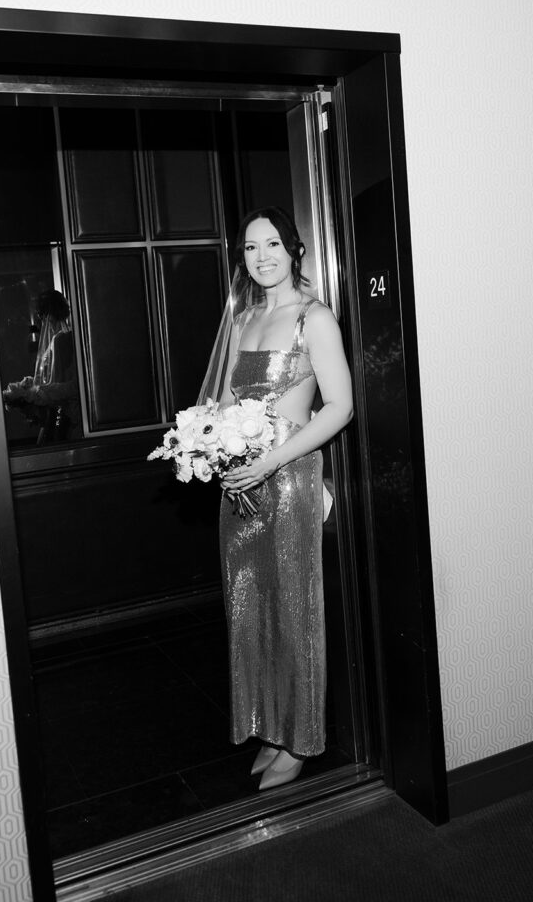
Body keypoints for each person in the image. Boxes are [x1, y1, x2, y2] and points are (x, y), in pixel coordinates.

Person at [207, 206, 353, 791]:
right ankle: (268, 725)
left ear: (294, 250)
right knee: (248, 610)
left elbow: (340, 407)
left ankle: (299, 737)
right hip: (241, 489)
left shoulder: (314, 319)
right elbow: (221, 406)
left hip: (287, 481)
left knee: (294, 613)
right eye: (249, 248)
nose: (261, 256)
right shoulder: (242, 319)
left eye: (272, 244)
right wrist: (210, 450)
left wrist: (269, 460)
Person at [3, 289, 79, 445]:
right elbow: (55, 378)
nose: (42, 323)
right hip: (60, 411)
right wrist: (32, 384)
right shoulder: (61, 339)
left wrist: (32, 393)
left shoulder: (60, 340)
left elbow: (62, 384)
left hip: (61, 413)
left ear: (47, 316)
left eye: (42, 318)